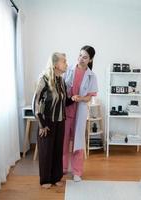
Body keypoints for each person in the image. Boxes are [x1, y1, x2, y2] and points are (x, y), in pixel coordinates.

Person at [32, 52, 75, 189]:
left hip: (60, 120)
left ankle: (56, 177)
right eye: (64, 61)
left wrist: (74, 98)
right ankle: (45, 180)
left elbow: (63, 102)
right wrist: (42, 125)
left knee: (57, 150)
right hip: (46, 122)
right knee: (46, 151)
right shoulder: (44, 79)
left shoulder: (61, 81)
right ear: (56, 64)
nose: (66, 64)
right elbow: (36, 103)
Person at [63, 45, 98, 182]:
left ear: (90, 60)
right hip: (66, 110)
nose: (81, 59)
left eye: (85, 57)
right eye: (80, 56)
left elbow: (90, 97)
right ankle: (63, 168)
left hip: (80, 111)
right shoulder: (68, 70)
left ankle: (77, 171)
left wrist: (80, 98)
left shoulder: (91, 76)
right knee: (64, 141)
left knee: (78, 142)